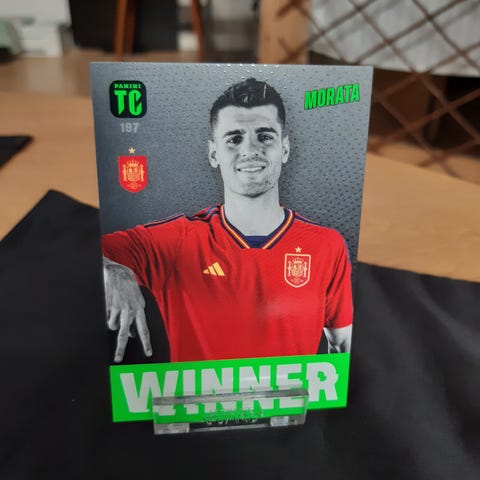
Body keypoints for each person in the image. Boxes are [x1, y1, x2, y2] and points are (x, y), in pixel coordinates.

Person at [102, 77, 353, 363]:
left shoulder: (326, 246)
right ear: (213, 154)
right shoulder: (177, 242)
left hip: (288, 395)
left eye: (265, 136)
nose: (250, 150)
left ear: (284, 149)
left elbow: (342, 350)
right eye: (234, 139)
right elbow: (88, 251)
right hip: (200, 395)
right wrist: (110, 270)